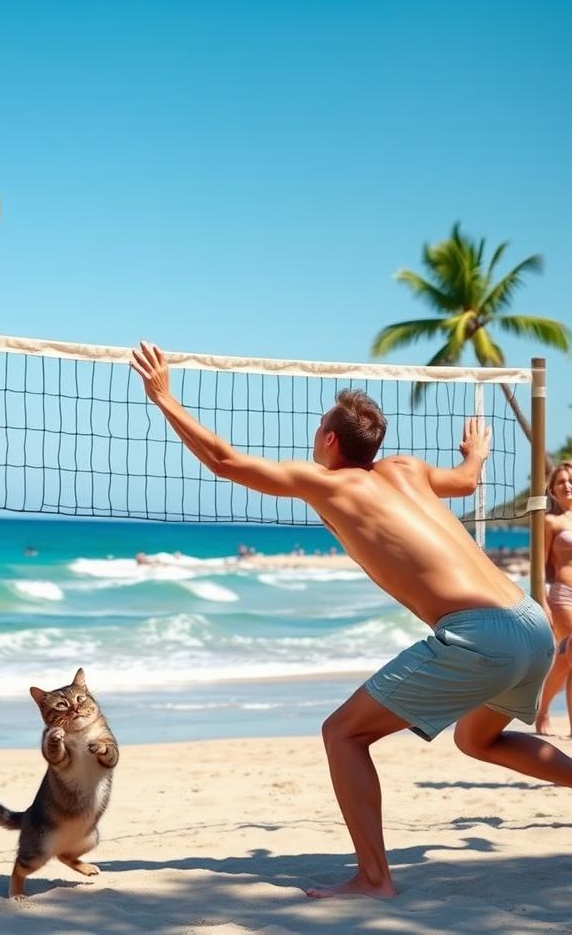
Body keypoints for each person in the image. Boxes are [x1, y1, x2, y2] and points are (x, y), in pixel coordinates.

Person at [131, 340, 563, 900]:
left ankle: (374, 879)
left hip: (480, 636)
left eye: (318, 431)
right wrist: (475, 454)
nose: (314, 438)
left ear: (330, 440)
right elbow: (465, 481)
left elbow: (225, 462)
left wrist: (164, 397)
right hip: (531, 624)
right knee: (479, 742)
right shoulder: (407, 469)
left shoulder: (330, 484)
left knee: (342, 733)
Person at [534, 461, 572, 735]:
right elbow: (538, 565)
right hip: (563, 596)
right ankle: (550, 715)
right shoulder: (550, 521)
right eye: (561, 482)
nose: (567, 485)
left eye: (571, 480)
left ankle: (543, 711)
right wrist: (542, 601)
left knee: (566, 660)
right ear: (553, 490)